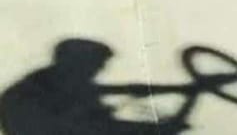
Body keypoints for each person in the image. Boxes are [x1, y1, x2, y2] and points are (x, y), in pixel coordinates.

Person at [0, 39, 195, 135]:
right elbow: (101, 125)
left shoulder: (54, 77)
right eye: (98, 64)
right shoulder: (56, 82)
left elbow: (123, 91)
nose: (100, 69)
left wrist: (181, 89)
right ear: (81, 62)